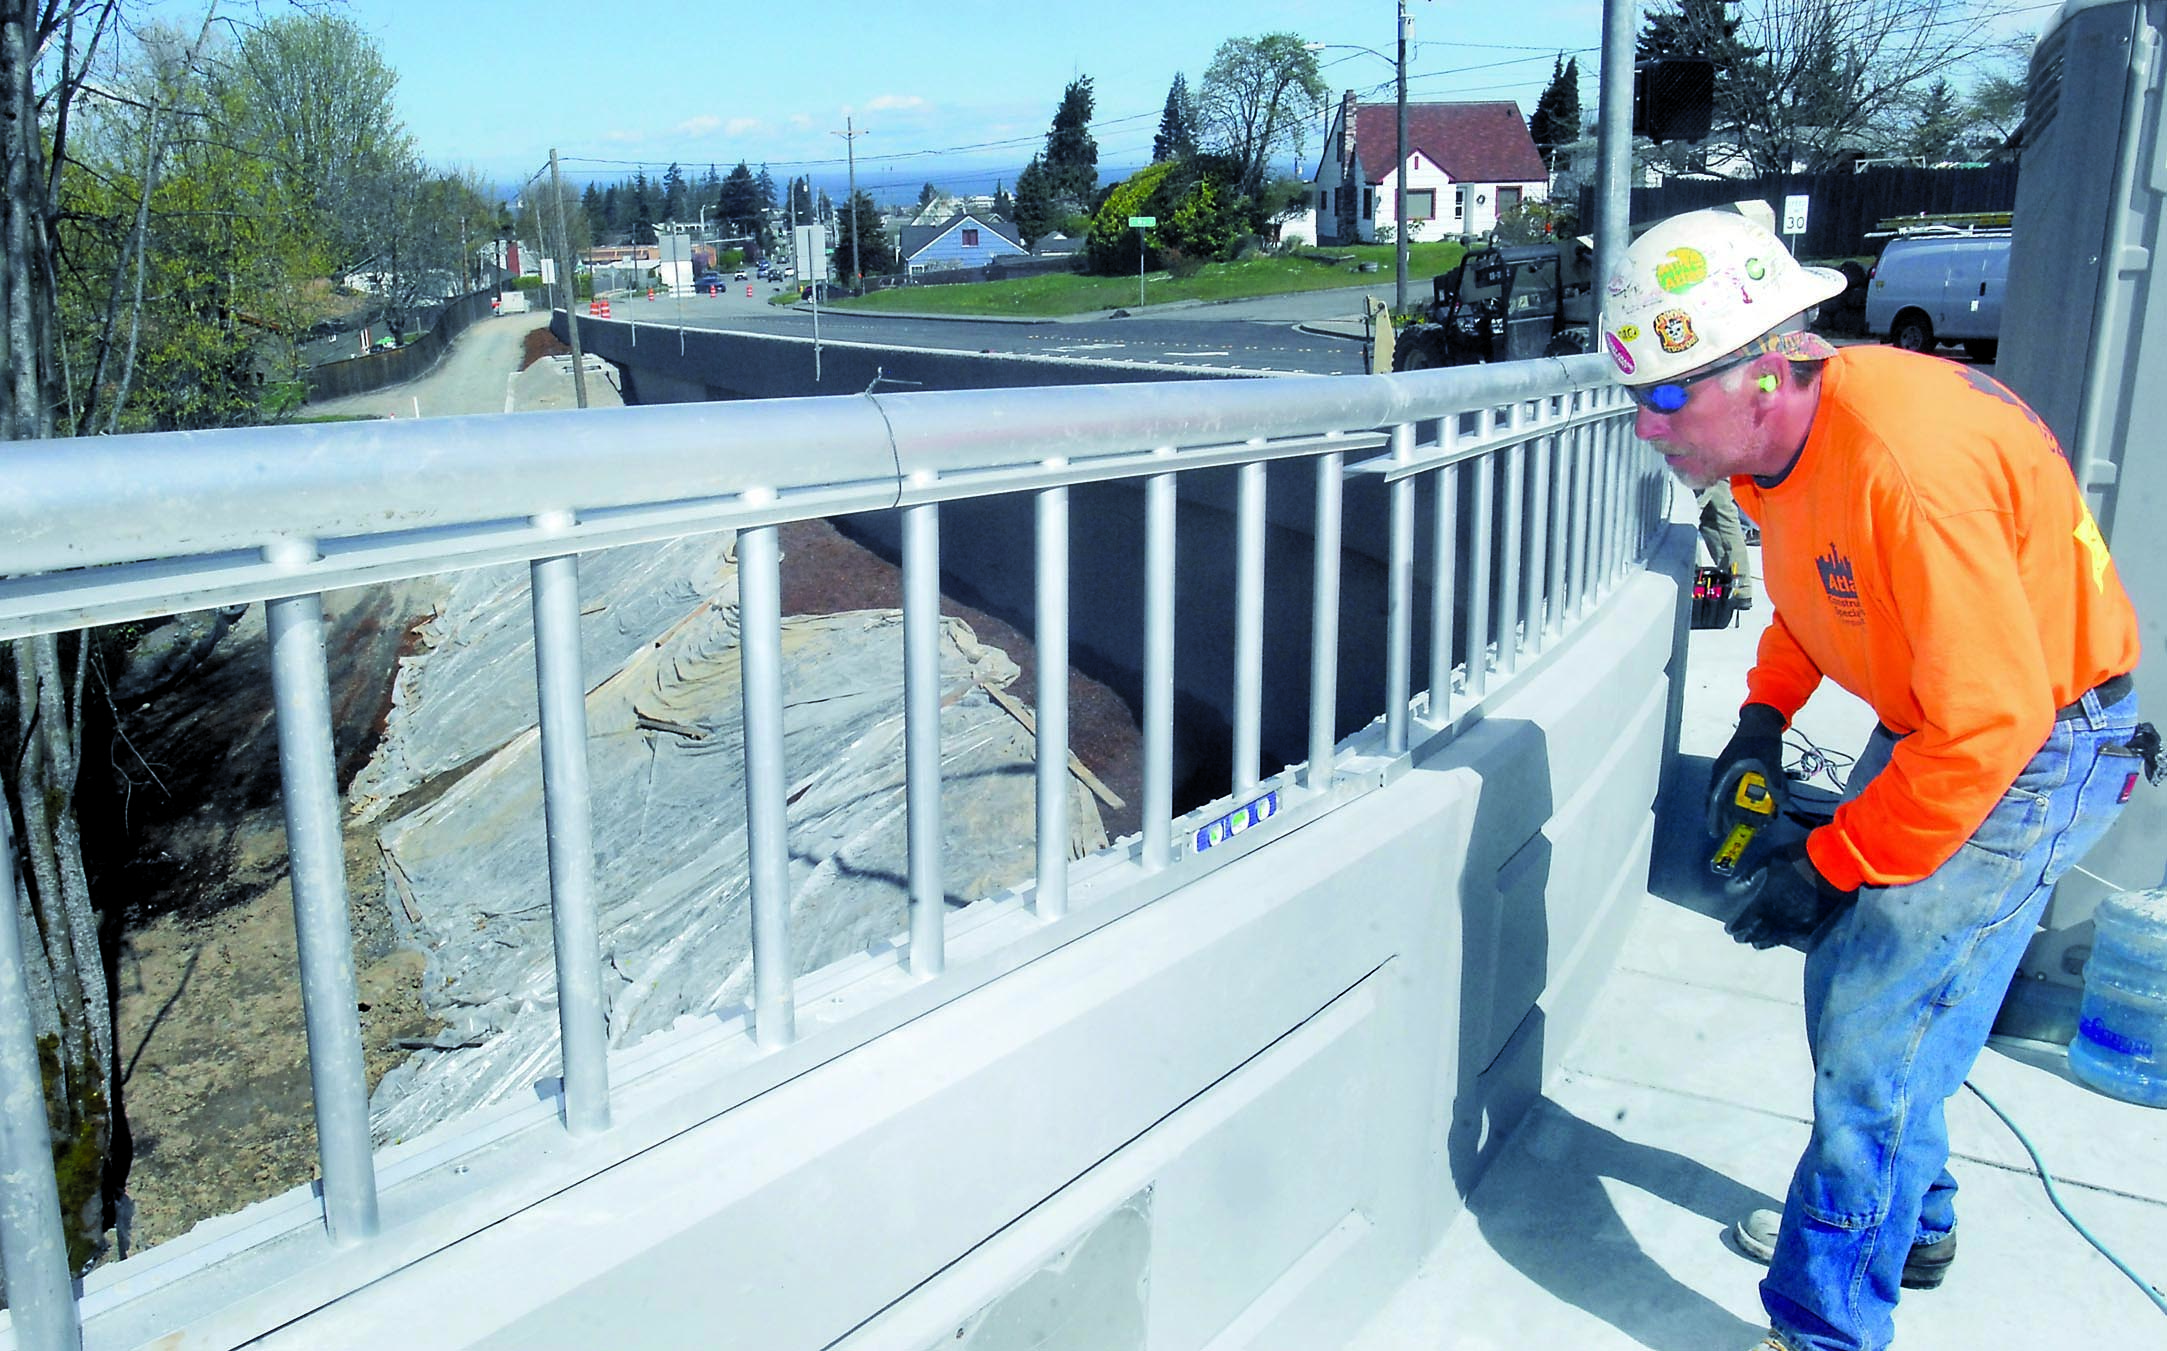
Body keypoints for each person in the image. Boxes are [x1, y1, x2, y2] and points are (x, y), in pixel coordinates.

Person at [1601, 208, 2151, 1351]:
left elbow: (1988, 724)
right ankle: (1913, 1224)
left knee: (1875, 1042)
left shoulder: (1907, 466)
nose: (1644, 424)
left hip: (2029, 743)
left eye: (1661, 396)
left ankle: (1823, 1327)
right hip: (1943, 722)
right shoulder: (1777, 449)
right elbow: (1815, 590)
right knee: (1863, 998)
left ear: (1763, 372)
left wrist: (1833, 860)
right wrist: (1761, 719)